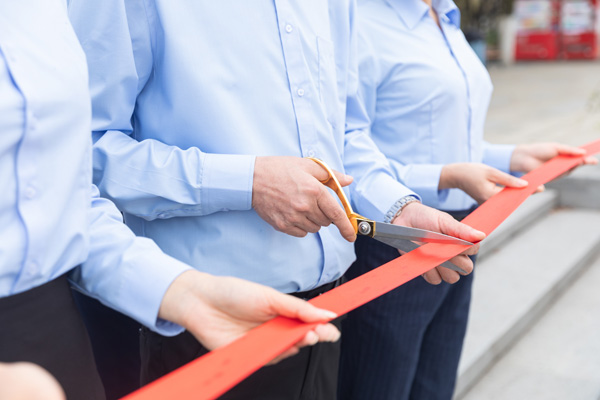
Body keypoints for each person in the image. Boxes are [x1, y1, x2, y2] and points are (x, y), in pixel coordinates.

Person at [68, 1, 486, 398]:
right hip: (209, 322)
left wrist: (399, 209)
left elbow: (343, 133)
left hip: (330, 310)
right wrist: (249, 183)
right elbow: (85, 153)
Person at [0, 2, 342, 399]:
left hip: (64, 334)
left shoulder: (37, 11)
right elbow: (96, 151)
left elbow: (60, 206)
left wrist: (183, 292)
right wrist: (245, 182)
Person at [338, 1, 598, 399]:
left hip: (461, 233)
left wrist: (513, 156)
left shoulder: (445, 16)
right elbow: (346, 149)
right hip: (395, 237)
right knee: (380, 385)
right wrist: (444, 176)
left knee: (435, 385)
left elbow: (445, 138)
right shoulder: (356, 20)